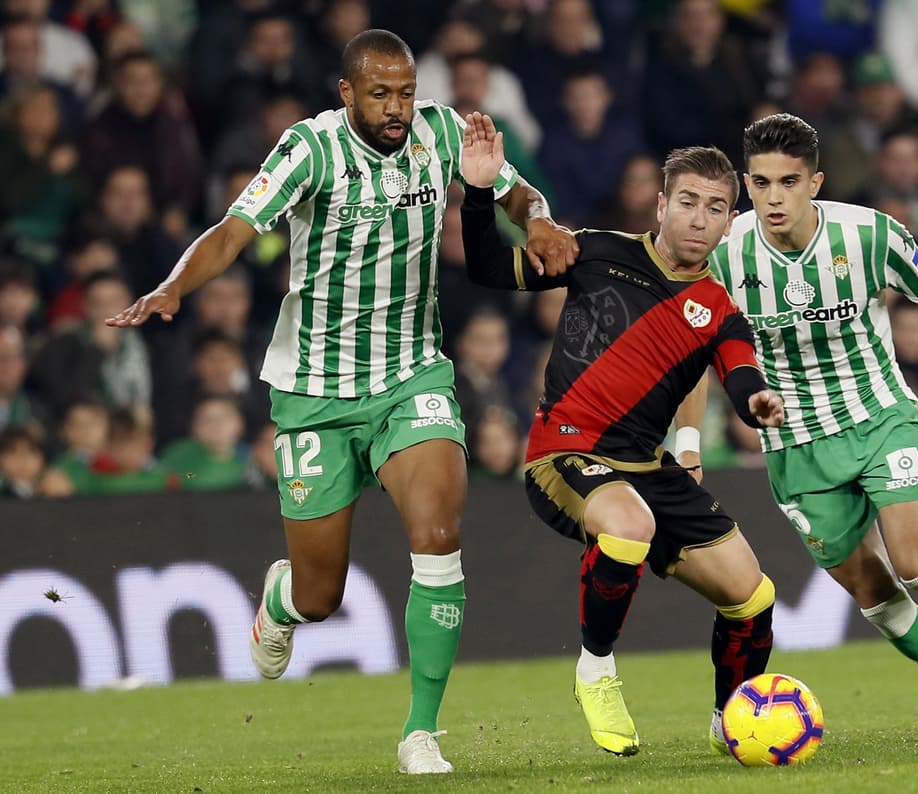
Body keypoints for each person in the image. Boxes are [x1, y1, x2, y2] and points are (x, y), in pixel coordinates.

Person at [106, 29, 576, 776]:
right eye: (381, 94)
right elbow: (234, 231)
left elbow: (514, 188)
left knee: (439, 530)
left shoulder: (442, 133)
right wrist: (171, 287)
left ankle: (421, 731)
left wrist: (540, 219)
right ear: (347, 93)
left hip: (410, 376)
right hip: (314, 391)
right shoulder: (309, 149)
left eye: (406, 92)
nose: (397, 108)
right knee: (321, 594)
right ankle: (284, 601)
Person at [692, 113, 918, 735]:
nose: (774, 198)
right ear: (746, 184)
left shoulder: (872, 235)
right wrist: (690, 445)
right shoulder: (723, 252)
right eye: (762, 183)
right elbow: (692, 347)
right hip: (794, 449)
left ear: (816, 182)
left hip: (879, 418)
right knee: (880, 603)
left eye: (789, 182)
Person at [459, 123, 785, 757]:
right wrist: (477, 195)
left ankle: (730, 719)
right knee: (628, 524)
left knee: (752, 596)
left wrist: (756, 401)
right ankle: (596, 669)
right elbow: (486, 267)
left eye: (716, 208)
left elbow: (742, 372)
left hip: (646, 466)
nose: (699, 218)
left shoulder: (718, 309)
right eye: (688, 201)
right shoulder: (596, 252)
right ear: (661, 205)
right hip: (564, 454)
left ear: (729, 222)